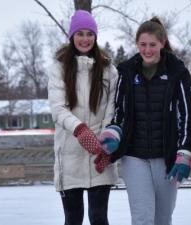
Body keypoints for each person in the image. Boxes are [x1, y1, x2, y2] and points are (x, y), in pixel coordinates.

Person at [98, 17, 191, 225]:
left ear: (162, 43)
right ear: (136, 44)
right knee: (142, 218)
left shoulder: (177, 72)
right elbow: (119, 111)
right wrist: (113, 132)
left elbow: (187, 115)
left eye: (152, 44)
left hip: (167, 158)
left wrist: (185, 151)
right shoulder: (126, 71)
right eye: (143, 44)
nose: (148, 50)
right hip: (134, 156)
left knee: (162, 218)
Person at [48, 10, 118, 225]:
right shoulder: (58, 69)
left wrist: (106, 142)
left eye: (90, 34)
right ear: (72, 36)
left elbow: (111, 109)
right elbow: (58, 108)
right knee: (73, 218)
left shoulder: (109, 70)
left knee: (99, 217)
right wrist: (80, 129)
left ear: (96, 37)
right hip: (70, 156)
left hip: (100, 155)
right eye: (80, 34)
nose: (85, 39)